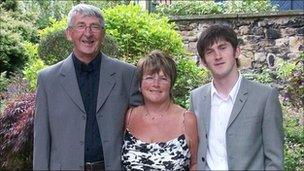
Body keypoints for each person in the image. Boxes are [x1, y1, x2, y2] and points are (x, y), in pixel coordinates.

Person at [33, 4, 142, 170]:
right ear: (69, 34)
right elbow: (41, 139)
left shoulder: (127, 74)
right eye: (81, 26)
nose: (88, 33)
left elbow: (144, 125)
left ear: (103, 34)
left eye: (95, 27)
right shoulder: (48, 79)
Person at [190, 24, 284, 170]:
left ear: (237, 51)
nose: (217, 56)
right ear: (203, 62)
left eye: (222, 47)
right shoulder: (196, 98)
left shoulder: (265, 97)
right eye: (210, 52)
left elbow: (274, 160)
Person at [121, 50, 198, 170]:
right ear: (140, 85)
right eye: (149, 77)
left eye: (163, 78)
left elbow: (195, 164)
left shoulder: (187, 120)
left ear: (171, 84)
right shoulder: (129, 116)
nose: (156, 84)